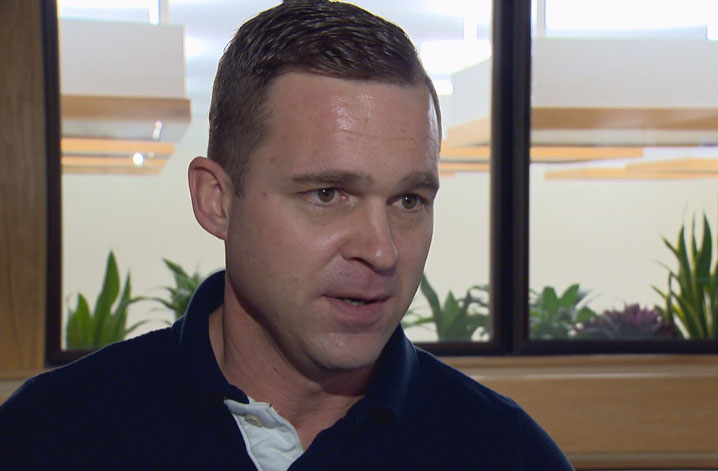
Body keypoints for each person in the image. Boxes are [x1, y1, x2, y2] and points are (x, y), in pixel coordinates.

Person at [0, 1, 573, 469]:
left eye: (408, 200)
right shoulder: (50, 435)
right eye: (327, 194)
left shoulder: (507, 452)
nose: (381, 250)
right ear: (215, 200)